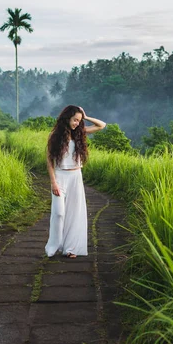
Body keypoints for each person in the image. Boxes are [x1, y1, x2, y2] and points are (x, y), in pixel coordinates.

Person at [45, 105, 106, 258]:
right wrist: (53, 182)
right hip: (60, 176)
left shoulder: (80, 132)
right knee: (59, 213)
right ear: (67, 118)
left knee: (74, 213)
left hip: (75, 176)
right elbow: (49, 160)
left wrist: (85, 117)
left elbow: (101, 125)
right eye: (75, 120)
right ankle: (54, 245)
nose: (77, 123)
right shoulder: (55, 135)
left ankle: (71, 248)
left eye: (79, 121)